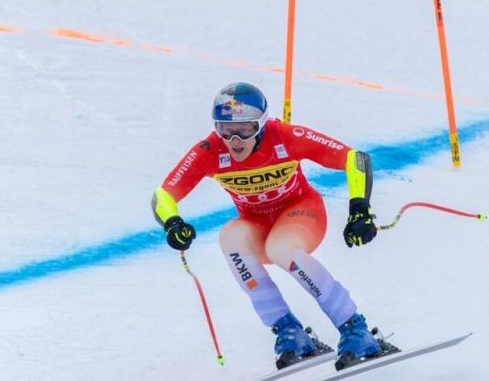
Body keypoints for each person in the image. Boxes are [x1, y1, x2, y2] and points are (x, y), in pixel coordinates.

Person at [151, 82, 381, 368]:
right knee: (230, 238)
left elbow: (354, 158)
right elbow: (163, 194)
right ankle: (288, 330)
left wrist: (360, 207)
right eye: (225, 129)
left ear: (261, 125)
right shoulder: (210, 150)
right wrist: (172, 222)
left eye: (245, 129)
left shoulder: (284, 136)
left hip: (301, 213)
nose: (234, 140)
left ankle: (354, 328)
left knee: (281, 249)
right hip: (258, 223)